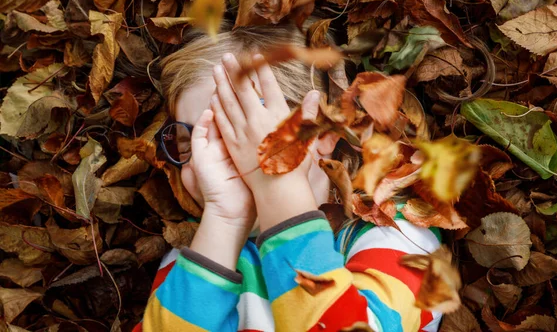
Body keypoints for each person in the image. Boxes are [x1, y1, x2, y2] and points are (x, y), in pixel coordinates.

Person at [135, 24, 443, 332]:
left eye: (238, 139)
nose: (207, 166)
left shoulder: (399, 233)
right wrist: (224, 221)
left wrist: (278, 183)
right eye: (189, 143)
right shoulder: (200, 256)